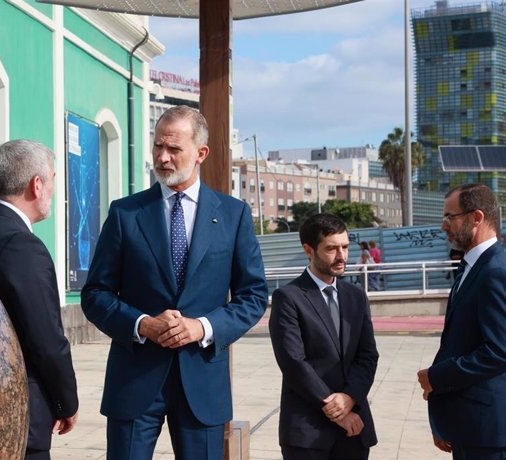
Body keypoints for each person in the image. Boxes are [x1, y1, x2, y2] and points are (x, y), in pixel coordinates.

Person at [81, 105, 268, 459]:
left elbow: (254, 296)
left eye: (174, 149)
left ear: (201, 153)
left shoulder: (233, 215)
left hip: (203, 383)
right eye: (157, 147)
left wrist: (203, 327)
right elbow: (95, 294)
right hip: (134, 381)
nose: (163, 158)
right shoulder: (125, 214)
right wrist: (142, 324)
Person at [0, 140, 78, 459]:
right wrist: (66, 402)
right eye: (53, 179)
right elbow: (46, 339)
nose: (54, 189)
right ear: (36, 185)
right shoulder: (22, 246)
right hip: (22, 413)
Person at [269, 213, 379, 460]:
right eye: (331, 248)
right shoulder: (288, 297)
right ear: (309, 250)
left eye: (345, 247)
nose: (341, 256)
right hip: (307, 432)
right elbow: (293, 362)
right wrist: (338, 411)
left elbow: (367, 356)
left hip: (354, 432)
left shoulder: (356, 296)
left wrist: (350, 397)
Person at [417, 183, 506, 459]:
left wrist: (436, 378)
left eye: (449, 217)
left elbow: (499, 351)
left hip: (489, 433)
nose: (444, 227)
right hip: (470, 426)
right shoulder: (471, 266)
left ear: (476, 217)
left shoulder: (495, 271)